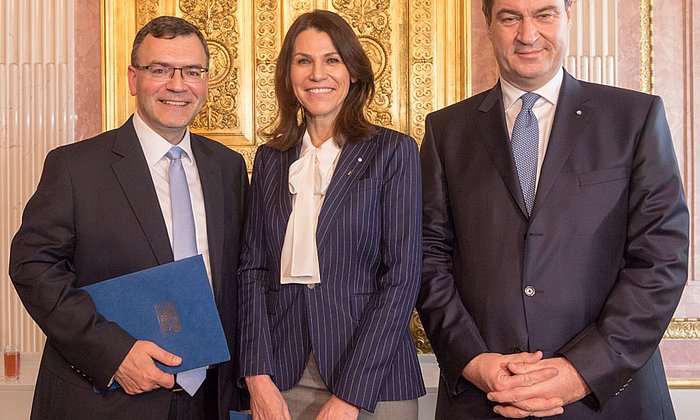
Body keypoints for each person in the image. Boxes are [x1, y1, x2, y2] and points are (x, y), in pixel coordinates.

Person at [417, 0, 689, 419]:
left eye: (544, 14)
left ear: (568, 17)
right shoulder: (446, 130)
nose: (528, 34)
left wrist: (582, 371)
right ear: (488, 24)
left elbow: (661, 260)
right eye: (510, 18)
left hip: (609, 397)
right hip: (483, 396)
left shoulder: (634, 118)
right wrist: (473, 361)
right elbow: (428, 258)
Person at [9, 16, 248, 419]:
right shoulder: (75, 167)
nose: (178, 84)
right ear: (133, 78)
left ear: (206, 81)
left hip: (209, 400)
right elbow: (33, 267)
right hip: (103, 398)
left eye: (192, 71)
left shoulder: (227, 167)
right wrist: (114, 353)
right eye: (160, 70)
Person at [237, 9, 425, 420]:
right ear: (289, 74)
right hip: (283, 378)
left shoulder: (394, 152)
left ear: (353, 72)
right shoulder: (270, 159)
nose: (316, 73)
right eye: (303, 61)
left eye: (332, 59)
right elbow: (251, 270)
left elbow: (402, 277)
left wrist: (349, 397)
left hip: (374, 381)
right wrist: (256, 376)